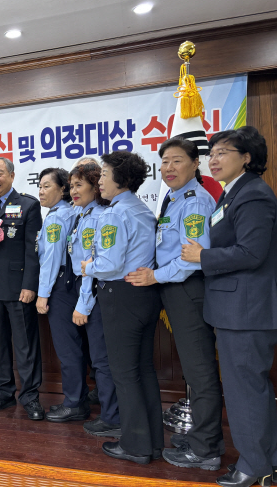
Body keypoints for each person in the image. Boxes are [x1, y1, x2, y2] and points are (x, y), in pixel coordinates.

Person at [181, 126, 277, 487]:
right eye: (213, 153)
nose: (214, 159)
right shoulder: (232, 195)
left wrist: (202, 256)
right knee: (252, 390)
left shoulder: (252, 195)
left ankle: (254, 467)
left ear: (247, 158)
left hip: (246, 310)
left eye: (223, 152)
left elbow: (252, 253)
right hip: (237, 309)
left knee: (245, 392)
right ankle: (267, 461)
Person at [125, 137, 224, 470]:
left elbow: (193, 260)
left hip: (188, 289)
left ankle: (207, 449)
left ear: (196, 164)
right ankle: (201, 435)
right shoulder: (173, 196)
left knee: (200, 371)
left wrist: (154, 276)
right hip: (174, 289)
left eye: (177, 160)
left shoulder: (195, 201)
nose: (169, 168)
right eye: (165, 161)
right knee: (194, 370)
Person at [81, 151, 162, 464]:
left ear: (121, 178)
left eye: (103, 174)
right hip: (144, 295)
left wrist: (89, 266)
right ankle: (151, 442)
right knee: (143, 371)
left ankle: (134, 445)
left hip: (121, 296)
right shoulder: (141, 209)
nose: (99, 180)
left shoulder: (114, 214)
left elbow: (110, 263)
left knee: (125, 374)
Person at [49, 164, 120, 436]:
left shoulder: (97, 217)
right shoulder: (82, 214)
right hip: (86, 289)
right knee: (97, 357)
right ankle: (102, 410)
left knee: (102, 359)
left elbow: (91, 266)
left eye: (80, 185)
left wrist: (83, 304)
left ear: (94, 185)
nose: (73, 191)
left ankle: (112, 417)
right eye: (72, 185)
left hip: (96, 293)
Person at [0, 157, 44, 420]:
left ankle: (30, 396)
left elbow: (33, 250)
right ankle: (3, 393)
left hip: (18, 289)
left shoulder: (28, 205)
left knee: (25, 346)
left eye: (0, 174)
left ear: (12, 176)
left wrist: (30, 285)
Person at [35, 168, 84, 420]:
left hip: (60, 287)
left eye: (46, 186)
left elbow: (52, 259)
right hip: (73, 284)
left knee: (67, 349)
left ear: (62, 189)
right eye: (39, 187)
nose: (40, 192)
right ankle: (77, 399)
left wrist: (43, 294)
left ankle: (74, 403)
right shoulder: (72, 211)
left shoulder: (56, 218)